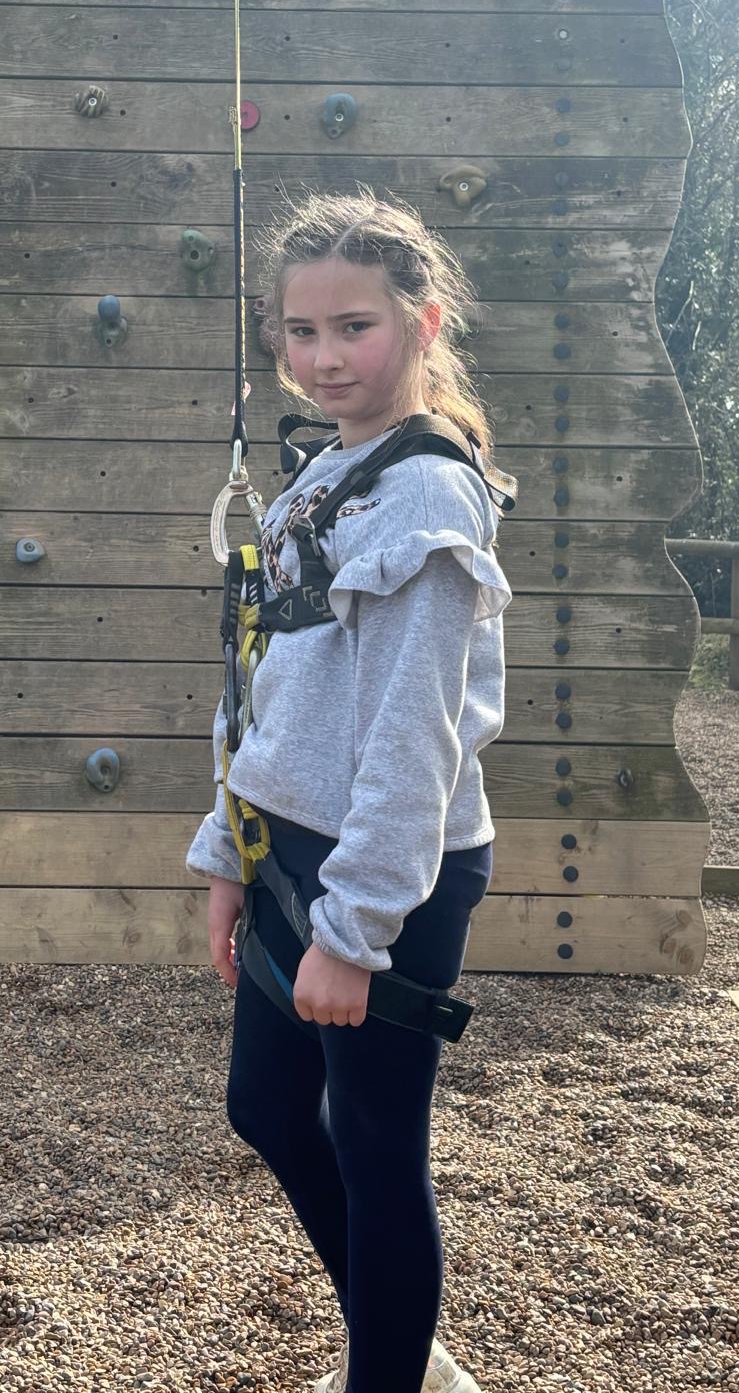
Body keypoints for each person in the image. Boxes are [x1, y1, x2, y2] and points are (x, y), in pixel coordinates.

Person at [185, 188, 511, 1393]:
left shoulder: (425, 491)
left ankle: (394, 1373)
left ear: (423, 324)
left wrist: (355, 927)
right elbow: (270, 684)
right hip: (291, 845)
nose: (324, 357)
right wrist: (231, 850)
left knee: (376, 1150)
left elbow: (416, 735)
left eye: (355, 327)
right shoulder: (330, 470)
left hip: (386, 867)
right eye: (301, 329)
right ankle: (405, 1346)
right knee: (268, 1108)